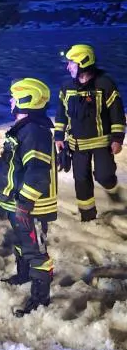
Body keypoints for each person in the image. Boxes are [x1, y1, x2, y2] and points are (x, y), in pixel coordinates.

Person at [0, 78, 56, 317]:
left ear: (25, 101)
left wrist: (25, 204)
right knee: (22, 243)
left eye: (14, 97)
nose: (11, 101)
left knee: (36, 252)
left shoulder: (33, 131)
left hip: (31, 207)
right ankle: (23, 275)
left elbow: (38, 173)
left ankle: (40, 300)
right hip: (18, 203)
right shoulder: (25, 129)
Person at [55, 44, 125, 222]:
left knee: (104, 175)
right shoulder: (66, 87)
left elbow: (116, 113)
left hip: (101, 142)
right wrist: (59, 137)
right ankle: (88, 217)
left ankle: (112, 188)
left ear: (83, 63)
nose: (68, 66)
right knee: (81, 180)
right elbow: (61, 114)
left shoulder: (105, 84)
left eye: (71, 63)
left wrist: (117, 138)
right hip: (77, 145)